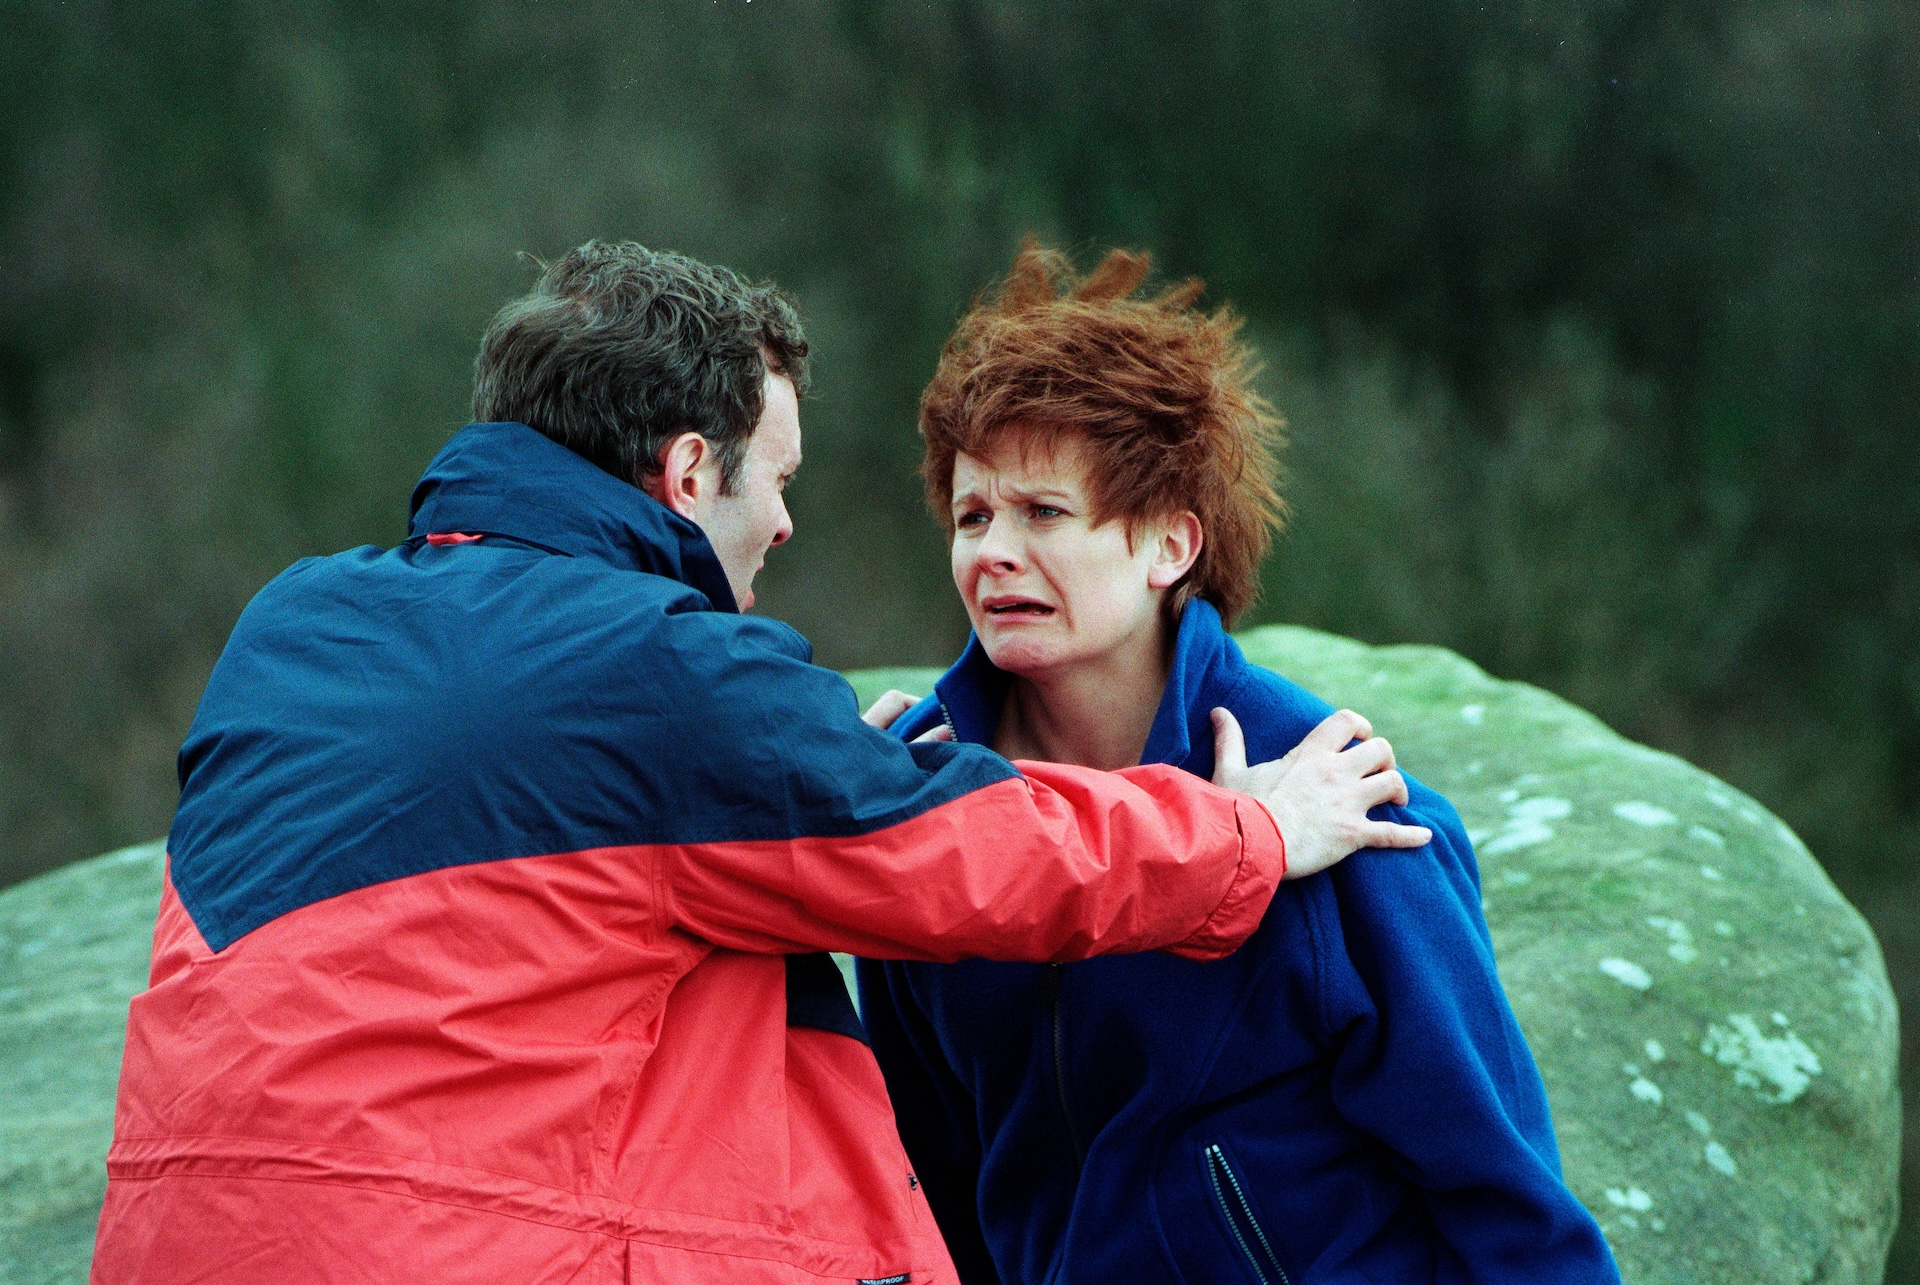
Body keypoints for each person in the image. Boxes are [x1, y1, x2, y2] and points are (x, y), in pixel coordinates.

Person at [90, 241, 1431, 1285]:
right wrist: (1251, 831)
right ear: (688, 474)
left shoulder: (294, 621)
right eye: (773, 479)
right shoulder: (660, 670)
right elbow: (971, 856)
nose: (786, 523)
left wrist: (772, 779)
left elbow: (517, 869)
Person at [858, 245, 1622, 1284]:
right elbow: (932, 1189)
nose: (991, 552)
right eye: (972, 515)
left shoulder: (1356, 808)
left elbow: (1507, 1198)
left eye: (1044, 513)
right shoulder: (915, 806)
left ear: (1171, 545)